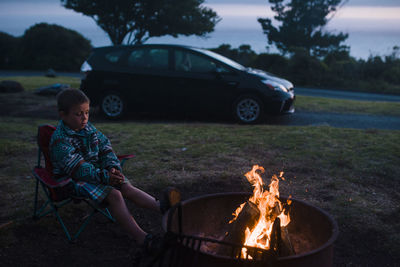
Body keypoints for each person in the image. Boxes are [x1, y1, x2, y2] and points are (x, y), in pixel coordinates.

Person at [50, 88, 180, 251]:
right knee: (114, 194)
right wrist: (105, 177)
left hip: (98, 173)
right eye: (78, 114)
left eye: (87, 112)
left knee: (125, 186)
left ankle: (164, 207)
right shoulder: (60, 140)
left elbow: (105, 147)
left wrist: (112, 167)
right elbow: (78, 169)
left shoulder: (88, 128)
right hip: (73, 180)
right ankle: (142, 238)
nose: (84, 118)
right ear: (63, 115)